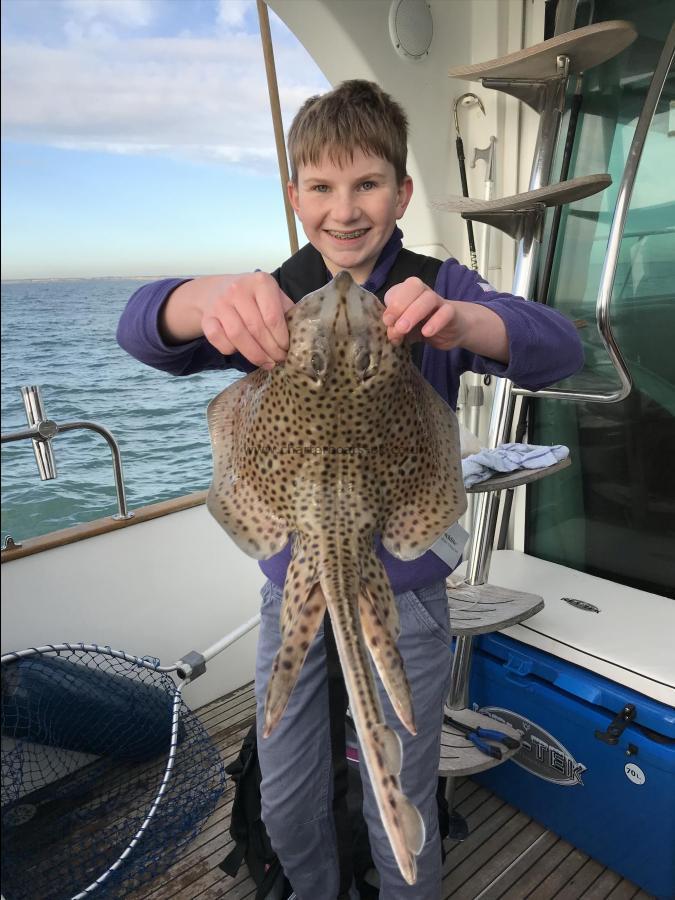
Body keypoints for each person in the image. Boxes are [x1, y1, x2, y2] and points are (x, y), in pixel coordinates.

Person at [117, 79, 583, 899]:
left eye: (367, 183)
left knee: (395, 778)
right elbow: (141, 328)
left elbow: (560, 346)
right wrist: (204, 302)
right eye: (322, 187)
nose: (345, 209)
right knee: (287, 790)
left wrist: (463, 322)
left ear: (401, 193)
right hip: (289, 585)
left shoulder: (435, 287)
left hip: (403, 595)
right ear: (296, 197)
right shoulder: (278, 297)